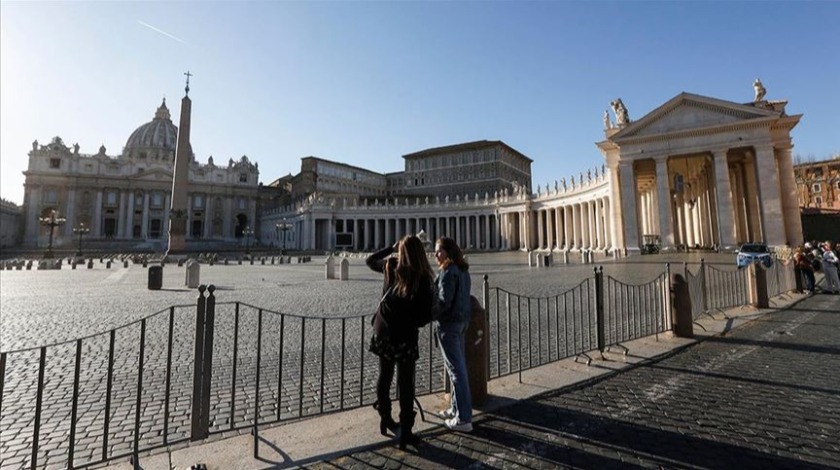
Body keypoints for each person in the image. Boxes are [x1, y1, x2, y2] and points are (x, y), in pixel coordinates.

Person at [366, 236, 435, 449]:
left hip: (384, 333)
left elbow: (370, 260)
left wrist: (390, 248)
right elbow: (424, 316)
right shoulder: (421, 276)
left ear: (400, 251)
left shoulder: (390, 266)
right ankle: (406, 431)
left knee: (384, 376)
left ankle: (385, 418)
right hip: (405, 337)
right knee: (406, 383)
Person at [433, 237, 474, 432]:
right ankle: (456, 409)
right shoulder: (463, 270)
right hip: (462, 322)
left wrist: (429, 313)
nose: (435, 255)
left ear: (447, 252)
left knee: (456, 371)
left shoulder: (448, 271)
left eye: (438, 251)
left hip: (449, 324)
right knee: (457, 369)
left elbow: (443, 301)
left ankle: (464, 419)